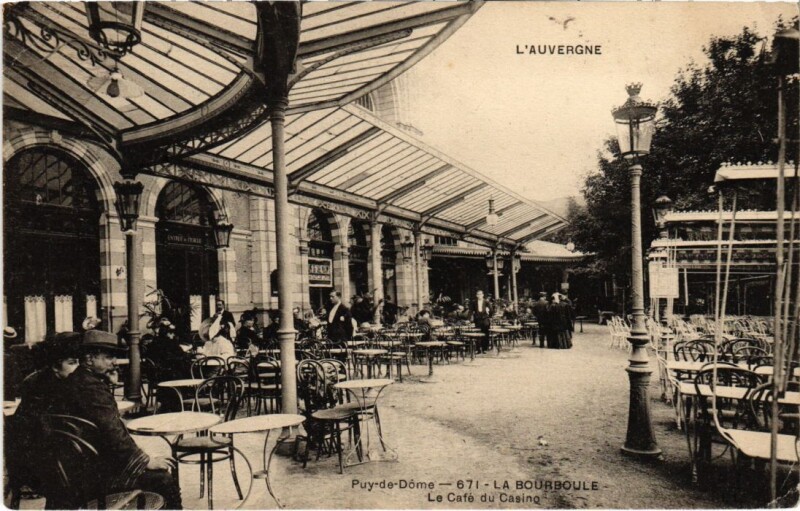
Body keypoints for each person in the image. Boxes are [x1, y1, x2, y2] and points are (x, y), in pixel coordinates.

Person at [60, 330, 182, 509]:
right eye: (108, 357)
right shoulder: (94, 390)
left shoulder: (75, 380)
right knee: (163, 478)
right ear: (89, 359)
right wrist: (146, 461)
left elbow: (99, 426)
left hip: (73, 472)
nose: (114, 362)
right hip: (98, 479)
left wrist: (108, 382)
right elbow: (114, 436)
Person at [7, 333, 81, 501]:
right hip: (43, 464)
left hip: (45, 454)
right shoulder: (48, 386)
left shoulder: (44, 378)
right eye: (72, 363)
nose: (78, 368)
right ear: (55, 366)